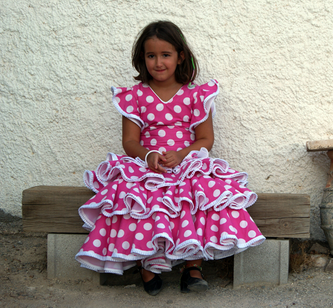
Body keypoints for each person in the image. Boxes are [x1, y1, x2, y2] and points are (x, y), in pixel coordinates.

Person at [75, 20, 265, 296]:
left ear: (180, 57)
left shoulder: (195, 95)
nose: (158, 62)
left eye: (166, 55)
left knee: (200, 193)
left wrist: (182, 154)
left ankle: (193, 266)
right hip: (148, 164)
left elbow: (205, 140)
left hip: (185, 161)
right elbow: (129, 142)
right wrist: (149, 154)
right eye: (151, 56)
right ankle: (148, 261)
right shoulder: (135, 96)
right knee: (139, 197)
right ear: (142, 59)